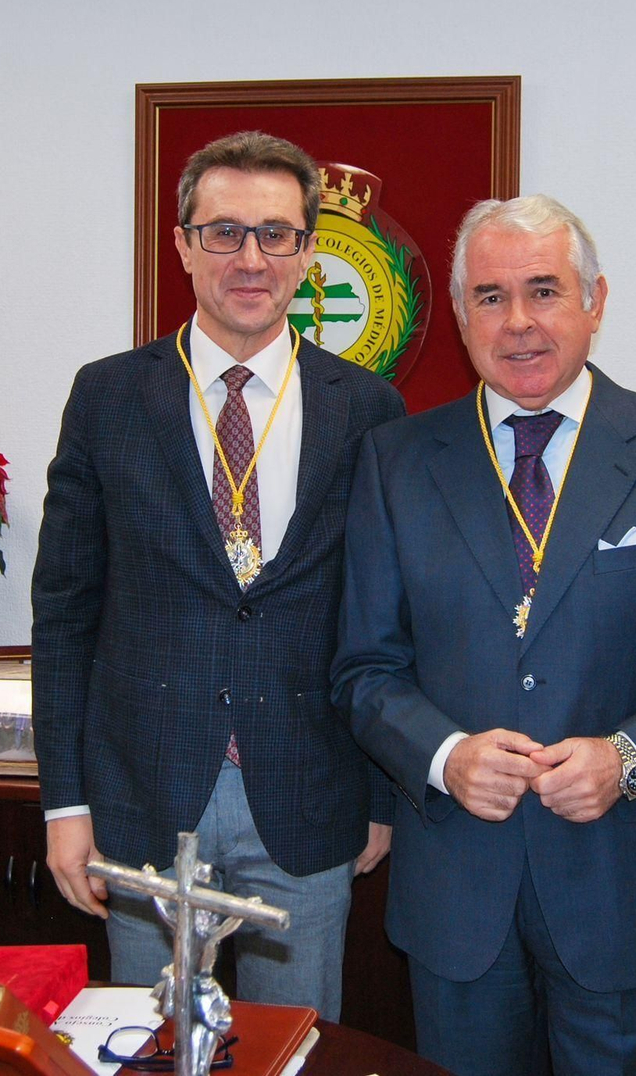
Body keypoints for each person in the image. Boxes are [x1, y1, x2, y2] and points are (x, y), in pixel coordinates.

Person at [331, 194, 636, 1074]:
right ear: (461, 317)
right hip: (458, 895)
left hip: (620, 889)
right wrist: (445, 754)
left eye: (545, 289)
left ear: (596, 302)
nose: (520, 322)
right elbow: (365, 668)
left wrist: (630, 757)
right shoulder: (397, 462)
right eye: (491, 297)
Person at [32, 130, 405, 1020]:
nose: (251, 258)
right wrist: (63, 806)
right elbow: (64, 612)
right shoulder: (108, 396)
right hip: (142, 795)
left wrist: (384, 796)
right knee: (149, 1048)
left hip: (309, 792)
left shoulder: (369, 409)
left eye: (276, 233)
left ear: (309, 251)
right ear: (183, 244)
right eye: (224, 232)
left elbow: (390, 617)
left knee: (293, 1048)